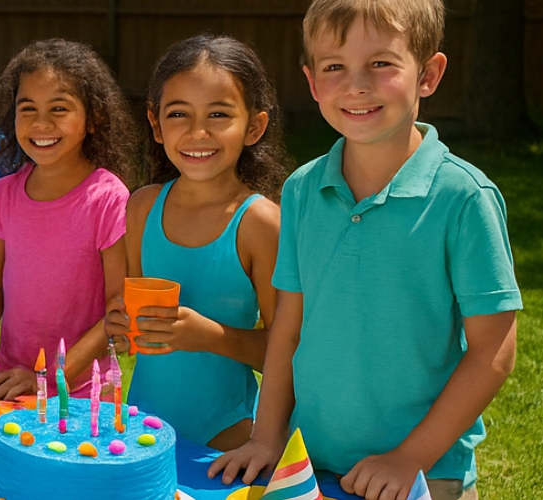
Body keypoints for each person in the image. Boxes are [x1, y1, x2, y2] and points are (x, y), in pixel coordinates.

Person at [209, 2, 520, 499]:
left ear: (429, 74)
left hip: (422, 477)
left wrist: (408, 459)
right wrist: (267, 438)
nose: (356, 85)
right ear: (312, 84)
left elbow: (494, 351)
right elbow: (289, 326)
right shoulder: (301, 190)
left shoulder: (464, 199)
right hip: (310, 465)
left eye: (381, 63)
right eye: (335, 67)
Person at [110, 34, 286, 451]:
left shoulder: (260, 223)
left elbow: (290, 355)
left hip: (227, 436)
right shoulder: (141, 208)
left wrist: (212, 337)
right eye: (178, 114)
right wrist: (121, 327)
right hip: (140, 432)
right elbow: (136, 326)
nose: (198, 132)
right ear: (156, 124)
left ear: (254, 127)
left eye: (219, 114)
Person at [0, 39, 137, 400]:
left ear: (93, 120)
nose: (41, 123)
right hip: (10, 384)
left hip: (84, 394)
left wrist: (46, 377)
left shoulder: (108, 198)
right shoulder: (2, 194)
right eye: (28, 109)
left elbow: (115, 310)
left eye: (59, 108)